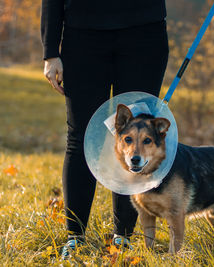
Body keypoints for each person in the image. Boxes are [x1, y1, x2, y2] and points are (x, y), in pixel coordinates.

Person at [41, 0, 169, 259]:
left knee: (134, 138)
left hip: (144, 33)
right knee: (80, 138)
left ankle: (123, 237)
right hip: (82, 35)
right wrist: (50, 50)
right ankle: (75, 237)